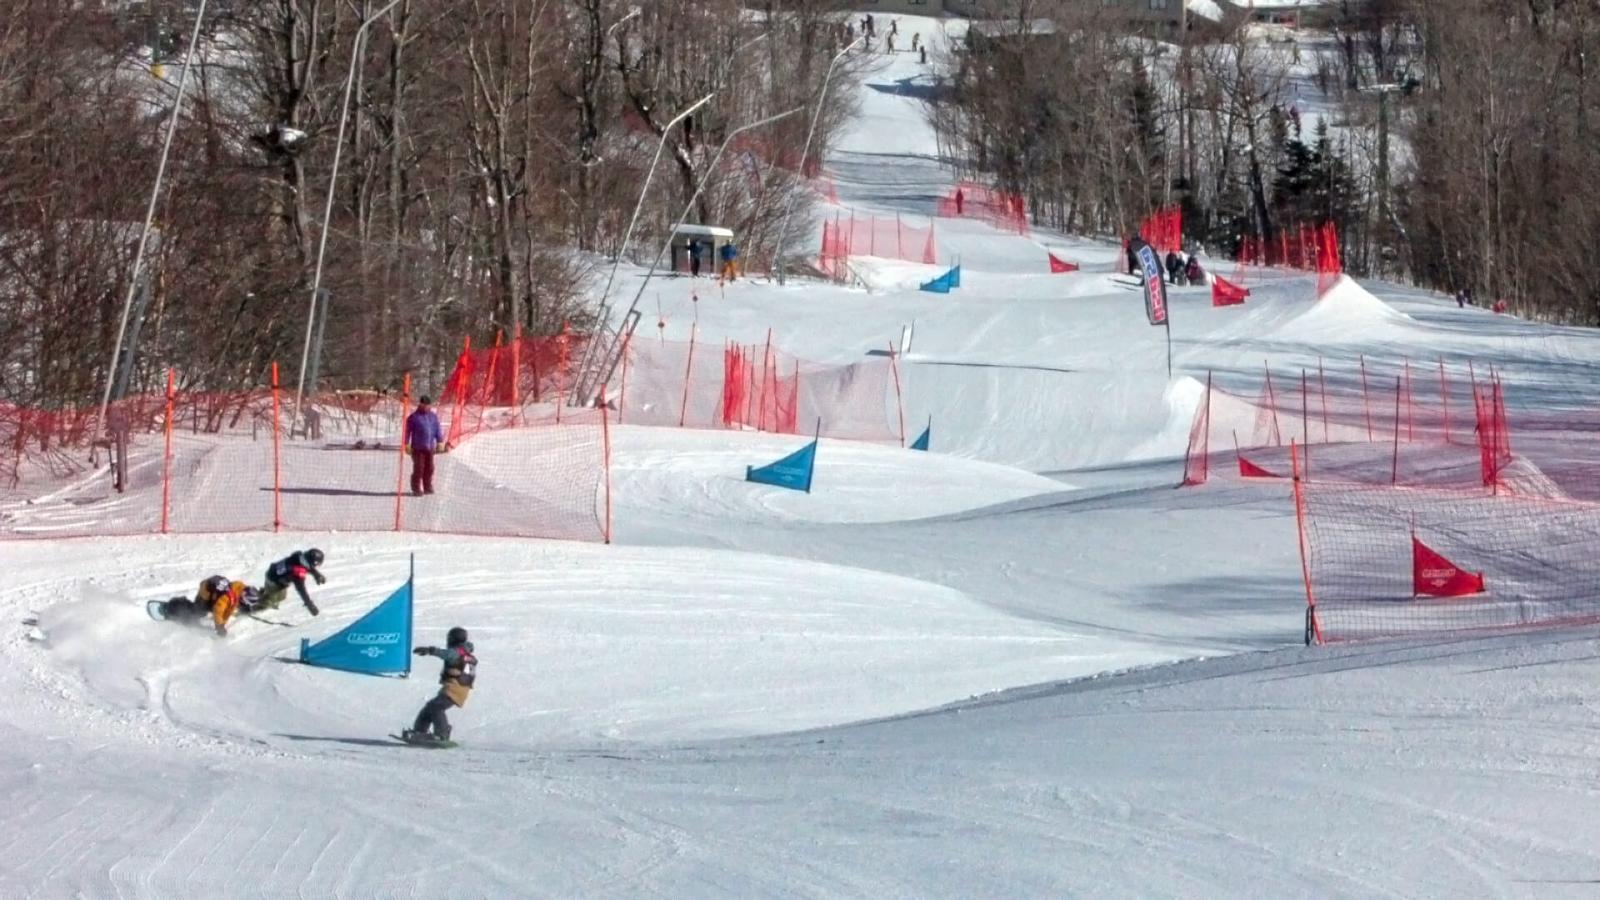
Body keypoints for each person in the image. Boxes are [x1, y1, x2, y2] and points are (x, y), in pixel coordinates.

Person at [403, 626, 478, 743]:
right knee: (430, 707)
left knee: (436, 707)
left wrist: (430, 650)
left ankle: (442, 734)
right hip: (458, 688)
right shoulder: (467, 655)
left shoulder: (457, 652)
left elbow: (447, 654)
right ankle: (419, 732)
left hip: (455, 687)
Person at [160, 578, 261, 637]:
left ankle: (183, 608)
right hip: (206, 592)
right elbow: (218, 611)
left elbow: (229, 609)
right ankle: (175, 607)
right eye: (247, 602)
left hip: (214, 593)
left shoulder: (239, 587)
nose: (245, 604)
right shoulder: (228, 598)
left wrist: (222, 624)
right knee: (198, 611)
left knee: (208, 610)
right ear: (244, 596)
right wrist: (220, 627)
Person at [259, 548, 325, 615]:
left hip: (273, 572)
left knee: (280, 595)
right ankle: (257, 605)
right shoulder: (297, 572)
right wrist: (310, 605)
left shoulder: (299, 555)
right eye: (316, 565)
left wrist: (317, 575)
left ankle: (264, 593)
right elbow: (302, 590)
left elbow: (307, 567)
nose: (316, 567)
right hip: (273, 580)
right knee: (277, 598)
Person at [405, 395, 445, 496]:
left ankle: (427, 486)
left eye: (428, 405)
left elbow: (437, 429)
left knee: (430, 467)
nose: (426, 407)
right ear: (420, 404)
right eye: (424, 405)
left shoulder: (433, 416)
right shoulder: (414, 417)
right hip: (418, 448)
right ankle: (416, 488)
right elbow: (407, 431)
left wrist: (440, 441)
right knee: (419, 468)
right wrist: (406, 443)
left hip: (430, 447)